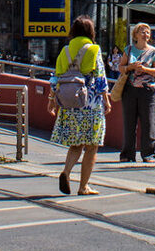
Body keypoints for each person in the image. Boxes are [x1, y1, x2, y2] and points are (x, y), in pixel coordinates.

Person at [50, 16, 110, 195]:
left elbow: (55, 78)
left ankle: (66, 172)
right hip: (90, 104)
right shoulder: (94, 49)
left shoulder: (65, 50)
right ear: (91, 31)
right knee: (92, 146)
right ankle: (83, 186)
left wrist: (52, 100)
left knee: (76, 144)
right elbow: (100, 78)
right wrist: (106, 101)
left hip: (69, 103)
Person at [117, 23, 155, 163]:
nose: (146, 34)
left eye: (147, 32)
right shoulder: (129, 50)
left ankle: (149, 154)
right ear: (135, 34)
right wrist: (131, 67)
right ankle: (127, 154)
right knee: (129, 122)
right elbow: (120, 67)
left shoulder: (153, 51)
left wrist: (145, 69)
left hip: (147, 90)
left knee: (148, 122)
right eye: (142, 32)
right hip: (130, 90)